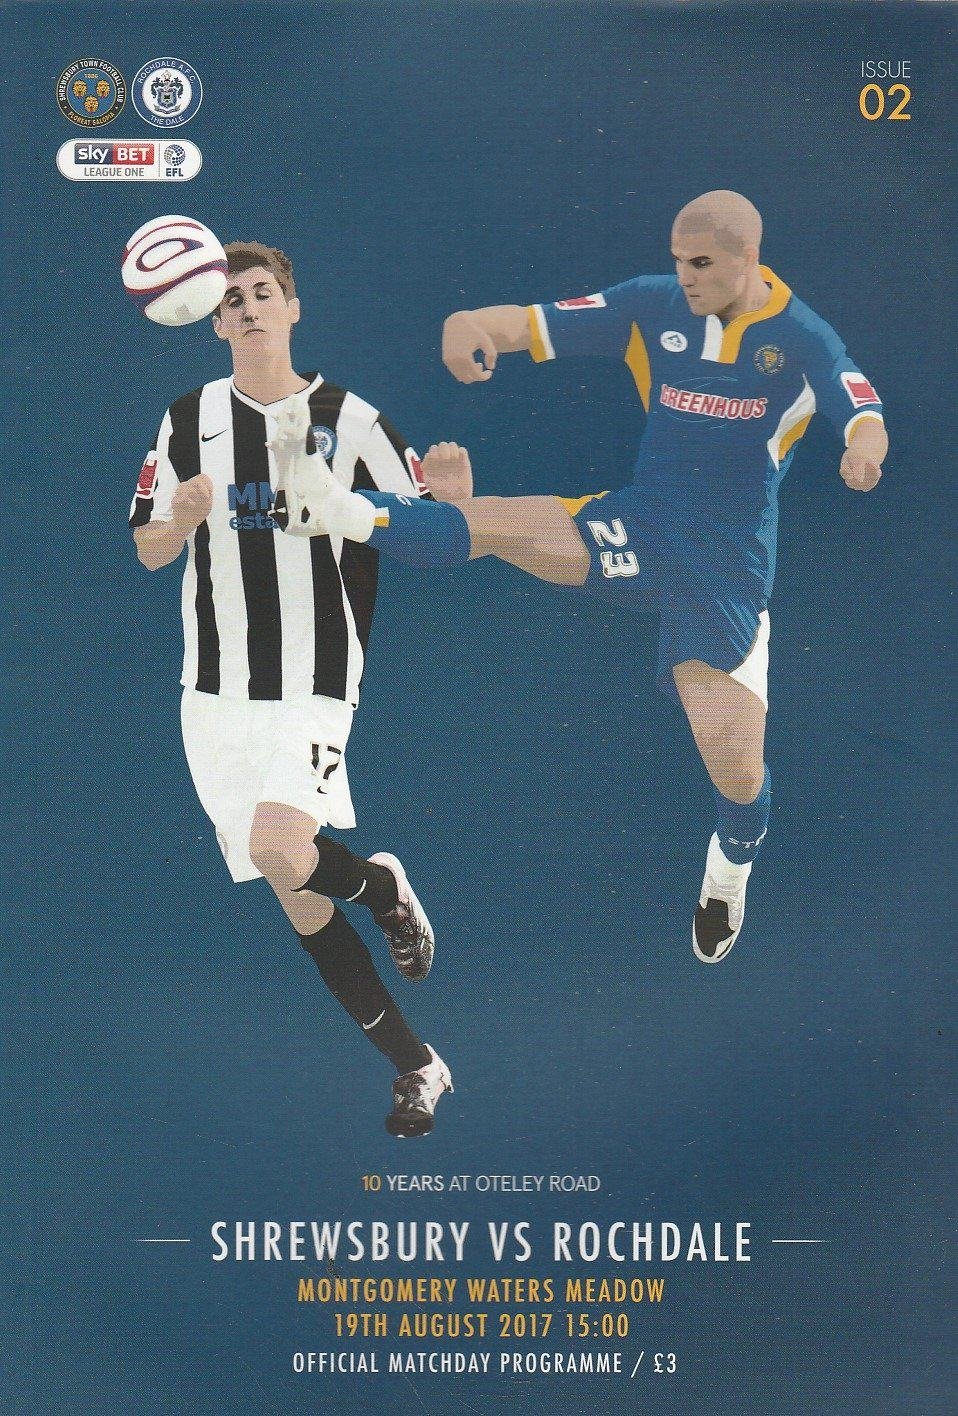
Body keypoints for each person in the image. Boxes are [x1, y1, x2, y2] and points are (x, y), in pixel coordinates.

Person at [278, 192, 887, 962]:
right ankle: (336, 506)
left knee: (735, 772)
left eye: (702, 263)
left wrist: (863, 450)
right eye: (679, 260)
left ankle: (729, 871)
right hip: (641, 523)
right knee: (496, 521)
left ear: (749, 259)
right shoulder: (654, 305)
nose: (686, 276)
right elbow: (530, 324)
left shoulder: (801, 338)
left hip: (724, 575)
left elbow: (860, 408)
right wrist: (471, 325)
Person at [129, 240, 459, 1136]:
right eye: (230, 300)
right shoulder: (187, 418)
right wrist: (180, 520)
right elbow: (149, 547)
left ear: (293, 307)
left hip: (315, 676)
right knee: (299, 897)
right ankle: (417, 1065)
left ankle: (384, 891)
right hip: (214, 692)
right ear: (212, 320)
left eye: (262, 293)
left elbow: (431, 531)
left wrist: (454, 497)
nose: (247, 309)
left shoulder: (352, 420)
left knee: (281, 847)